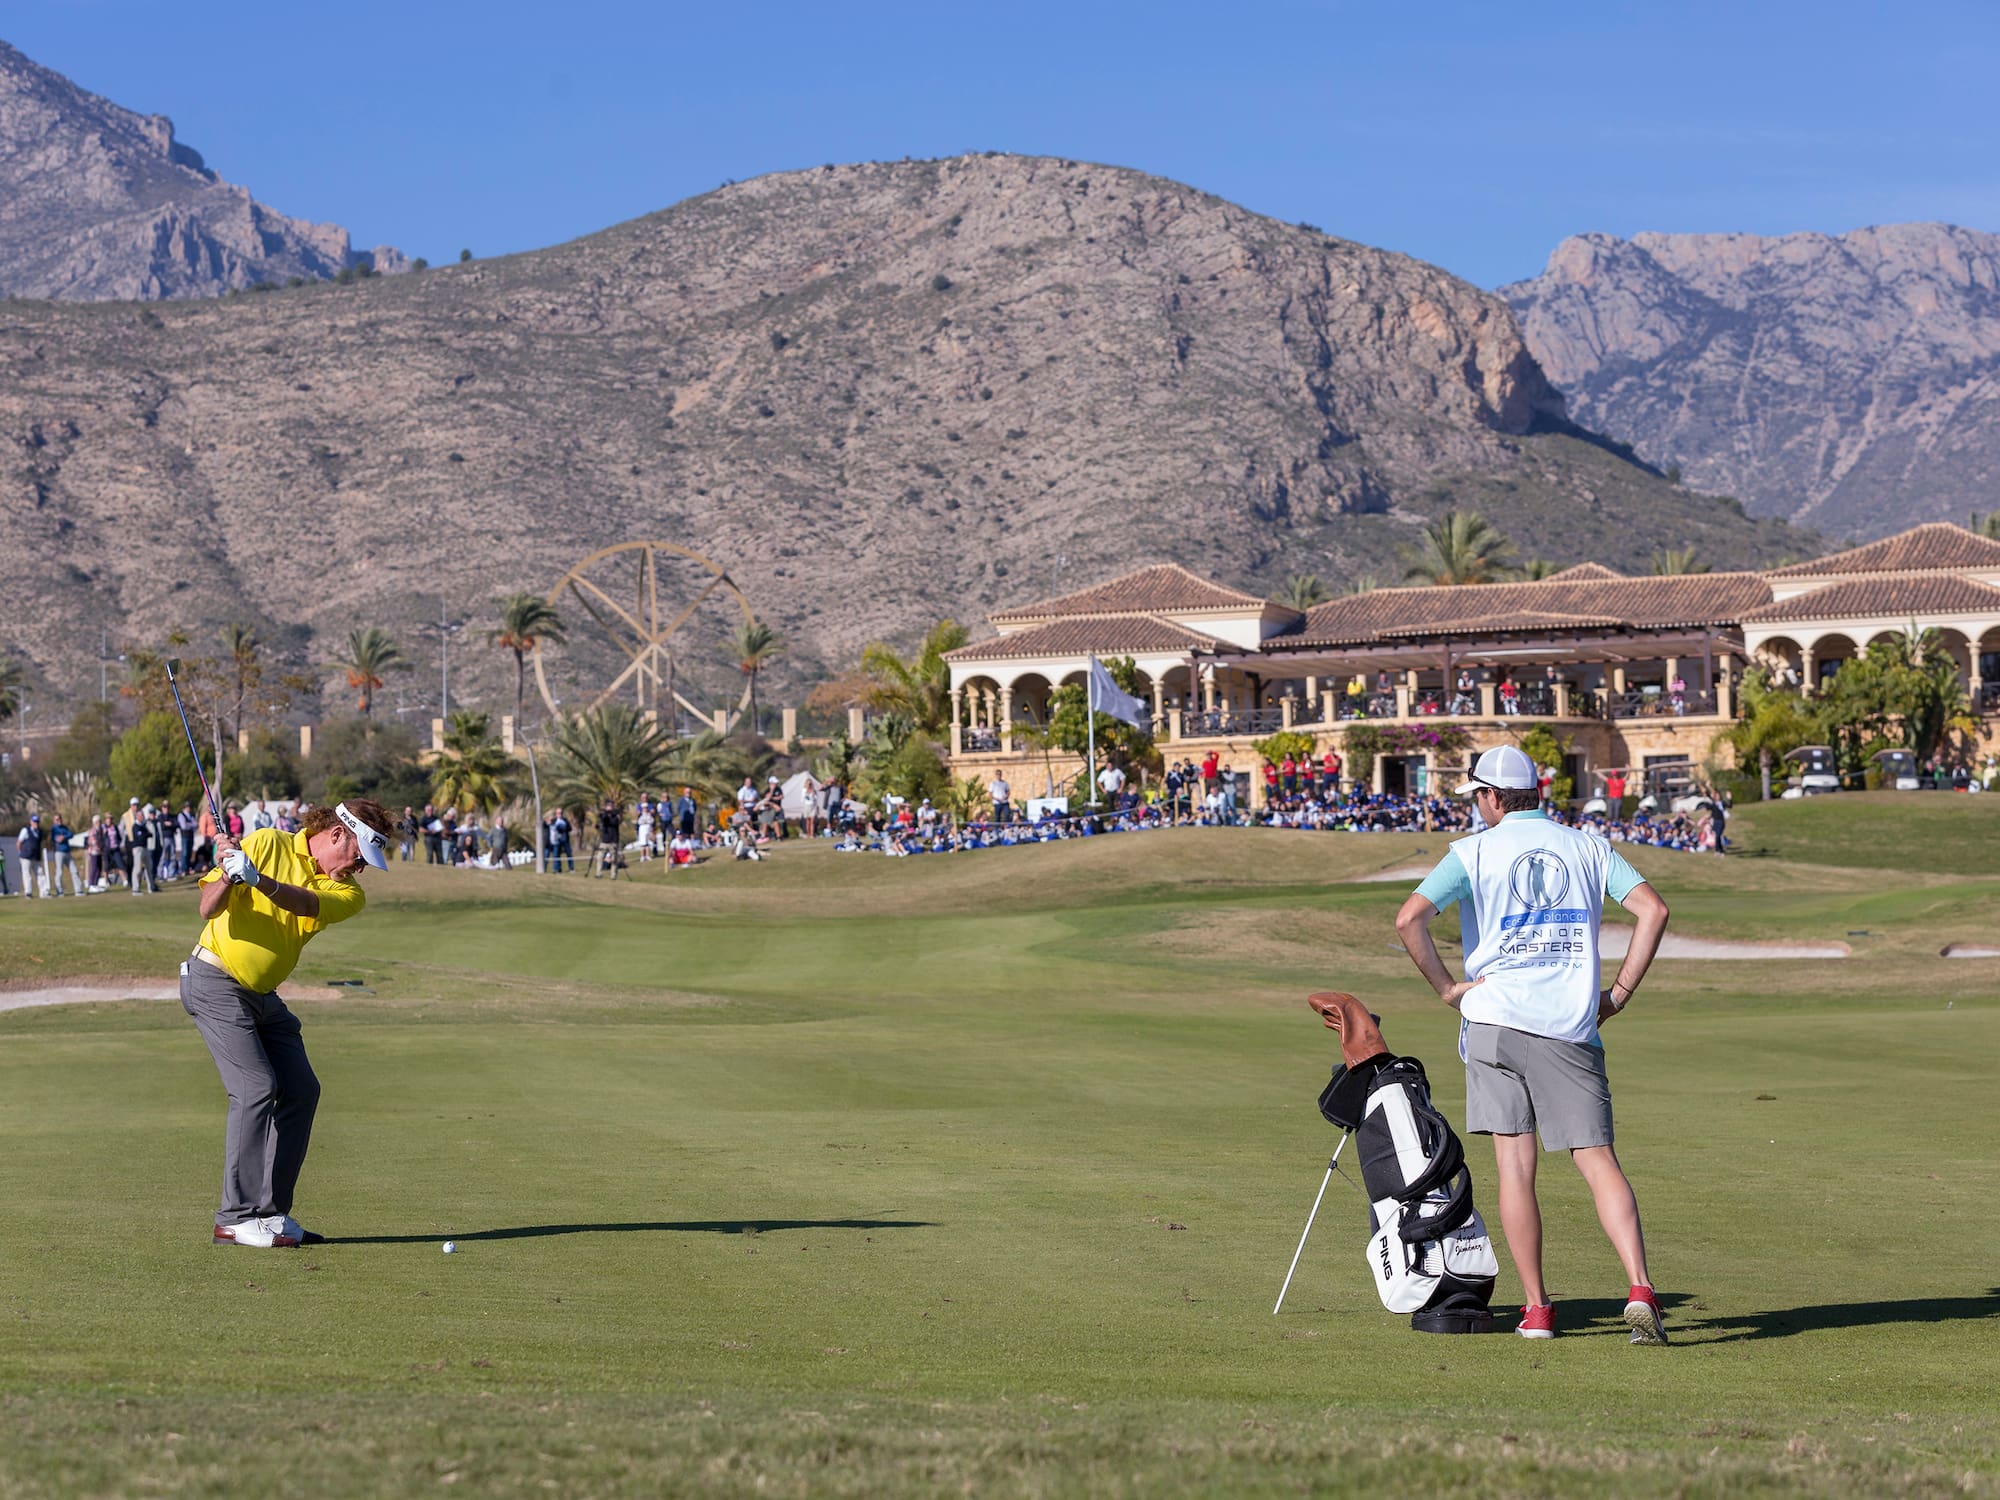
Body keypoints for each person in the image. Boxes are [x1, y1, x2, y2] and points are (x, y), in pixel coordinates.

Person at [1392, 745, 1673, 1345]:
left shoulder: (1471, 852)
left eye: (1478, 797)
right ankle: (1641, 1289)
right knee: (1597, 1161)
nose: (1477, 807)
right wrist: (1618, 994)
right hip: (1569, 1026)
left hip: (1493, 1023)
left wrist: (1448, 990)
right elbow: (1653, 910)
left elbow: (1408, 919)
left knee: (1515, 1173)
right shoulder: (1589, 846)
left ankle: (1538, 1311)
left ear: (1492, 797)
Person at [183, 797, 396, 1247]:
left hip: (263, 999)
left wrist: (258, 879)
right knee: (255, 1086)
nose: (358, 870)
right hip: (215, 980)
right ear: (337, 833)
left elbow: (303, 903)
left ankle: (271, 1214)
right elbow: (207, 908)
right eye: (358, 857)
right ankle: (234, 1218)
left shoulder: (348, 894)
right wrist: (228, 872)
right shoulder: (265, 842)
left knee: (301, 1088)